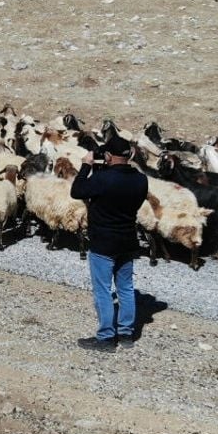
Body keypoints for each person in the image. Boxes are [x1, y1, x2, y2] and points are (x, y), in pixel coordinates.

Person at [69, 133, 148, 352]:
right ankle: (126, 334)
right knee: (126, 288)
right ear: (129, 155)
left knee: (103, 290)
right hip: (128, 241)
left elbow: (77, 191)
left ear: (108, 156)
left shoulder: (103, 179)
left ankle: (105, 338)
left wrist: (86, 166)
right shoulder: (141, 180)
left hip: (103, 243)